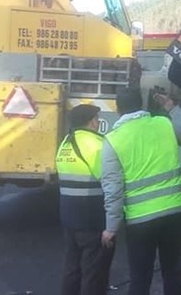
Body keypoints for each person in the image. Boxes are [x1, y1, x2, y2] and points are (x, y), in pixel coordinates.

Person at [100, 88, 181, 295]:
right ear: (142, 103)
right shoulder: (164, 124)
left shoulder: (113, 140)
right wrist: (171, 107)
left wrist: (111, 227)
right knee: (173, 274)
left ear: (118, 109)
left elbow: (113, 188)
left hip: (140, 220)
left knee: (140, 278)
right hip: (173, 212)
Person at [56, 104, 114, 295]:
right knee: (93, 271)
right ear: (91, 121)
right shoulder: (96, 145)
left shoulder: (65, 143)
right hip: (91, 216)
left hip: (69, 215)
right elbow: (108, 179)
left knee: (71, 267)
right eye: (97, 119)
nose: (98, 122)